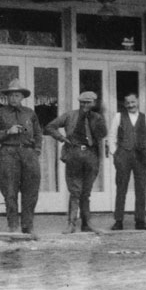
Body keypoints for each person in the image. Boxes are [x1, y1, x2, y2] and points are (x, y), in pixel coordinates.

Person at [45, 90, 108, 233]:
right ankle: (71, 224)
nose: (85, 105)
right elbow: (50, 126)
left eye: (88, 102)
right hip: (74, 154)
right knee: (75, 192)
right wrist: (62, 138)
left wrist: (99, 117)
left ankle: (86, 224)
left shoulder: (97, 117)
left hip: (91, 156)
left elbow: (102, 134)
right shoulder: (70, 115)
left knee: (86, 192)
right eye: (82, 102)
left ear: (94, 103)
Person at [0, 78, 43, 238]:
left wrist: (37, 150)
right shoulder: (0, 113)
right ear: (7, 97)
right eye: (11, 95)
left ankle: (28, 226)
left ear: (22, 97)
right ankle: (13, 226)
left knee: (30, 191)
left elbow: (38, 133)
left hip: (28, 154)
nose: (14, 98)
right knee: (10, 191)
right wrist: (7, 132)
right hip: (8, 154)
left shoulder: (29, 113)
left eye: (17, 95)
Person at [111, 92, 146, 230]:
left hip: (141, 157)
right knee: (121, 188)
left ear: (137, 102)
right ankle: (118, 221)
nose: (131, 105)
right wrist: (116, 154)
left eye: (133, 102)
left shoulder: (145, 118)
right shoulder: (119, 117)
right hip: (124, 155)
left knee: (141, 188)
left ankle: (140, 221)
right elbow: (112, 137)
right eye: (128, 103)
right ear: (125, 104)